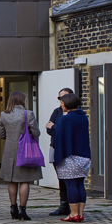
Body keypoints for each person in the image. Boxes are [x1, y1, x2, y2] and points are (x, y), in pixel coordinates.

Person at [0, 90, 41, 221]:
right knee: (24, 180)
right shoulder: (28, 114)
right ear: (22, 101)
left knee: (11, 180)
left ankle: (13, 207)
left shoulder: (4, 115)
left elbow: (1, 134)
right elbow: (36, 133)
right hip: (26, 150)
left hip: (9, 151)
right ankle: (23, 210)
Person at [54, 93, 91, 222]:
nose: (60, 105)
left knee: (70, 185)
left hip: (70, 157)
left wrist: (52, 126)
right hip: (84, 156)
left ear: (67, 104)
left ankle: (73, 214)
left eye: (62, 103)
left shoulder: (65, 119)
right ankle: (80, 214)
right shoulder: (83, 117)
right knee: (80, 184)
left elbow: (59, 136)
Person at [45, 87, 75, 217]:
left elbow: (69, 131)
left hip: (71, 149)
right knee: (61, 177)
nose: (61, 100)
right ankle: (64, 204)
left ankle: (74, 205)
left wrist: (55, 127)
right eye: (59, 97)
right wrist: (55, 129)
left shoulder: (76, 113)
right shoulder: (57, 112)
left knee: (71, 179)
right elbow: (48, 129)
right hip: (56, 146)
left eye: (64, 97)